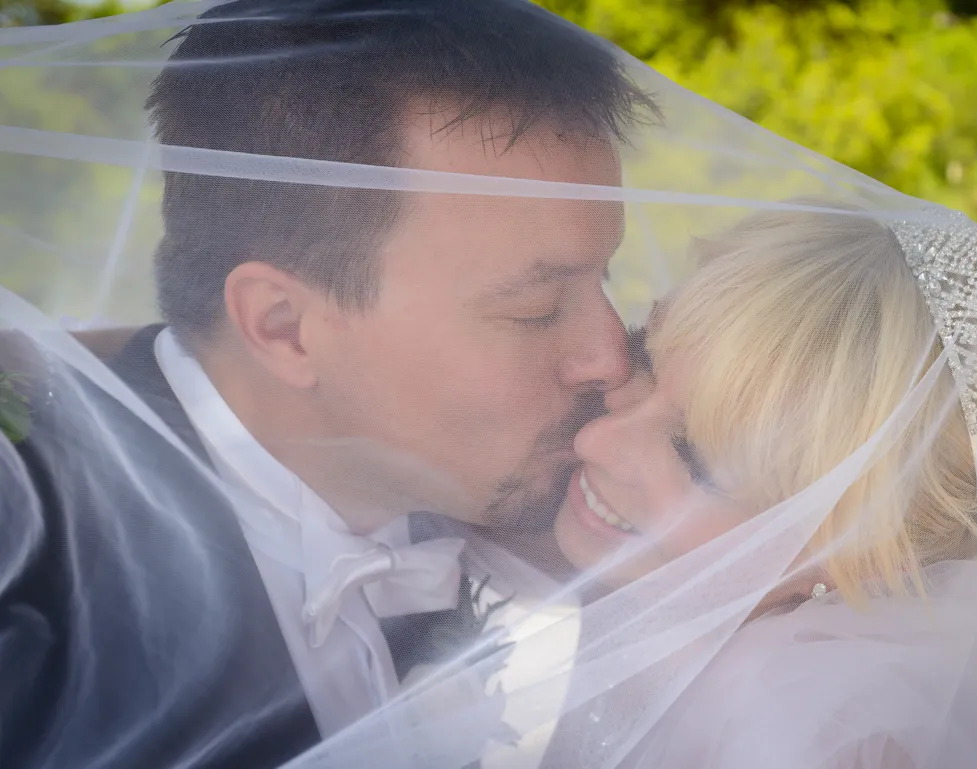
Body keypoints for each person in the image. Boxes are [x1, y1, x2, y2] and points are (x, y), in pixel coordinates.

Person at [0, 1, 654, 767]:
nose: (611, 356)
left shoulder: (539, 506)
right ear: (282, 326)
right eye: (535, 308)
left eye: (605, 278)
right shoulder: (29, 566)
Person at [543, 206, 977, 768]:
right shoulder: (667, 637)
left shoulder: (803, 735)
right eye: (643, 362)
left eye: (696, 462)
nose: (596, 442)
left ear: (874, 558)